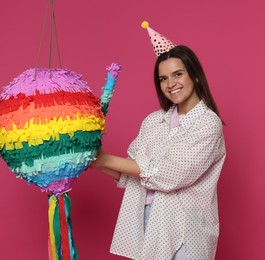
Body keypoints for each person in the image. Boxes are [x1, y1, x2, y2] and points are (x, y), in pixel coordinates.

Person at [90, 23, 226, 260]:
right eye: (163, 78)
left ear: (194, 75)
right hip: (147, 218)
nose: (170, 83)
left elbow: (170, 173)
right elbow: (132, 172)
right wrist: (93, 161)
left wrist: (108, 159)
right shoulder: (153, 122)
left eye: (178, 74)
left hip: (185, 226)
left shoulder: (207, 123)